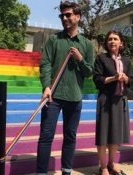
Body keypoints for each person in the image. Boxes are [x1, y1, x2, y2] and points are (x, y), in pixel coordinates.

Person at [36, 1, 94, 175]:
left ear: (78, 17)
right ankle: (41, 173)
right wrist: (46, 87)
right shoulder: (54, 40)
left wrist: (79, 59)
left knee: (70, 137)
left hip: (75, 97)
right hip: (53, 96)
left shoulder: (86, 44)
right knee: (46, 137)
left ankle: (66, 171)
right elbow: (45, 64)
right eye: (62, 15)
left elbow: (89, 72)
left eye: (68, 15)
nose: (65, 18)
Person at [93, 31, 133, 175]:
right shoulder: (101, 58)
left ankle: (112, 162)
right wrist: (114, 78)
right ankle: (103, 166)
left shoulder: (127, 61)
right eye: (109, 39)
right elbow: (97, 80)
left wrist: (125, 78)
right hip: (105, 99)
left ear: (121, 43)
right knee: (103, 133)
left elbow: (131, 80)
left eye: (115, 39)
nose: (112, 41)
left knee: (115, 133)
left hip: (120, 100)